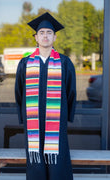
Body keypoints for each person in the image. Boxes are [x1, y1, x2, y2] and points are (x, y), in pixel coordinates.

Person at [15, 12, 76, 180]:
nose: (45, 36)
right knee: (36, 162)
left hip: (56, 121)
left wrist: (67, 115)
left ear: (55, 37)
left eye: (49, 33)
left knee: (57, 160)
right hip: (32, 120)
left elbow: (71, 91)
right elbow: (19, 91)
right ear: (36, 37)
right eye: (41, 33)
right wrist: (23, 115)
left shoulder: (64, 62)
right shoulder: (26, 63)